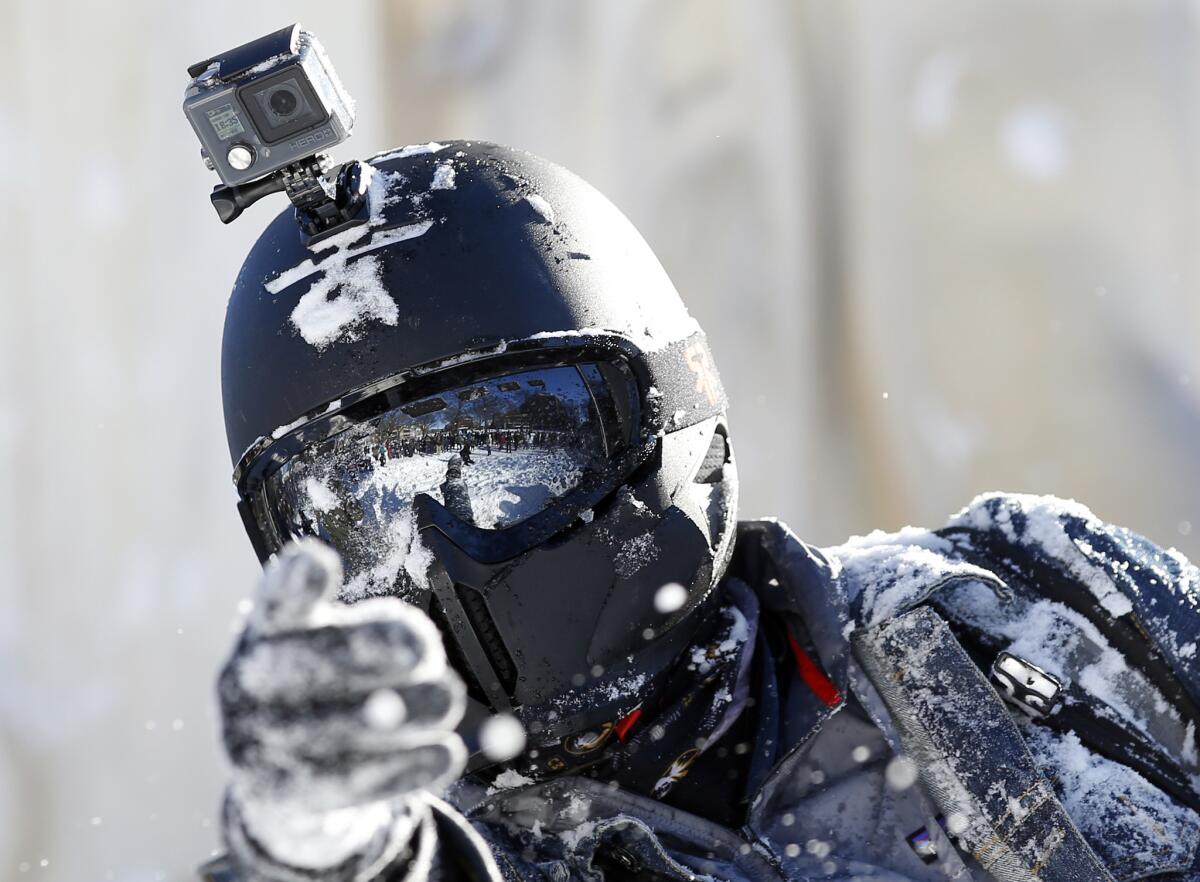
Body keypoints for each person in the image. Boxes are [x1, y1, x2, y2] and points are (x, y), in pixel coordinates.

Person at [202, 142, 1200, 882]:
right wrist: (316, 852)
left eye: (503, 463)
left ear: (661, 414)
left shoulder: (1032, 611)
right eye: (359, 519)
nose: (439, 558)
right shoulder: (467, 855)